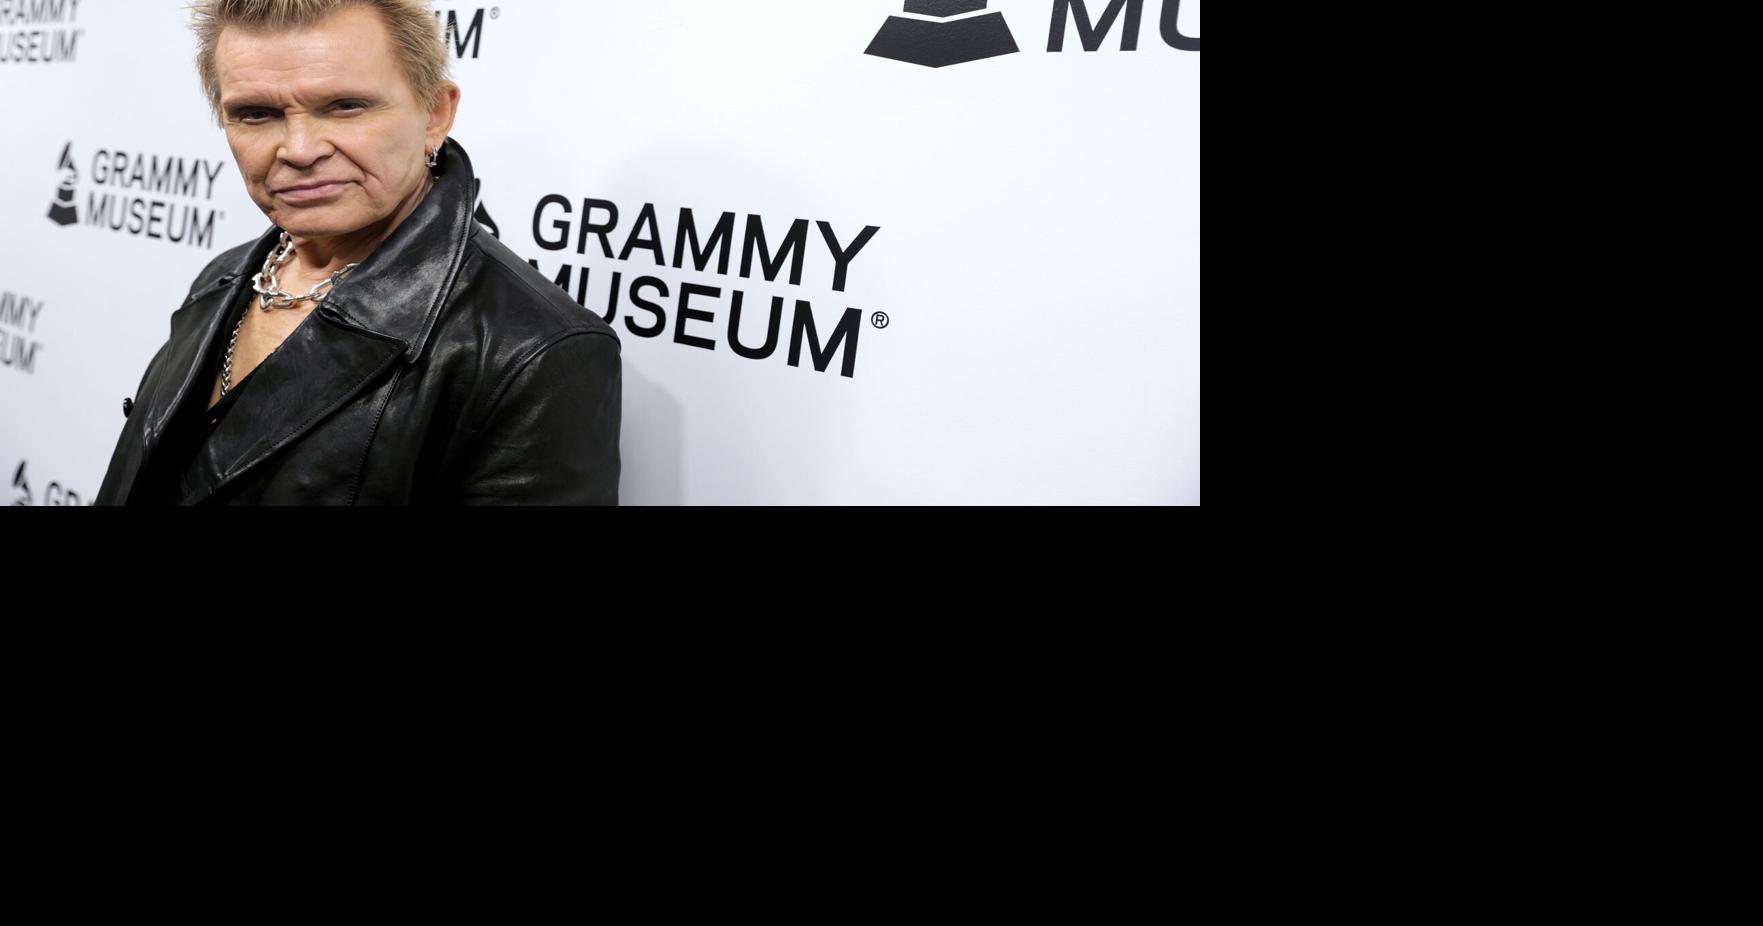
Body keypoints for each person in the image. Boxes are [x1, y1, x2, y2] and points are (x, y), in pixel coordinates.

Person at [93, 0, 621, 505]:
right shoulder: (227, 275)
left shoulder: (530, 351)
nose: (300, 150)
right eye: (256, 114)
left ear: (435, 114)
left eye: (345, 107)